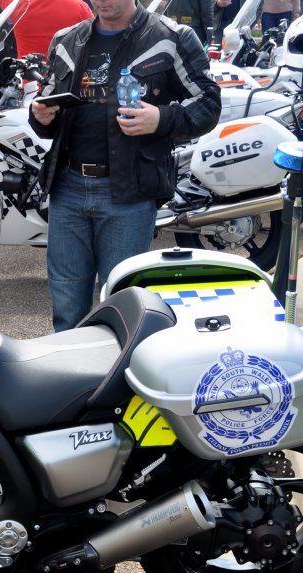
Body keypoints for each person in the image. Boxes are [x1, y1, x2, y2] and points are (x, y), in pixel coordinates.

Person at [29, 0, 220, 331]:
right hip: (67, 186)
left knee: (123, 304)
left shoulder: (171, 37)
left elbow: (209, 103)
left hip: (129, 191)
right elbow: (47, 109)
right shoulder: (66, 39)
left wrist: (161, 118)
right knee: (66, 305)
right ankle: (72, 363)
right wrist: (41, 116)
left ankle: (120, 365)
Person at [0, 0, 93, 58]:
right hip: (67, 80)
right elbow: (94, 41)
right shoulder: (81, 8)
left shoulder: (20, 6)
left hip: (29, 81)